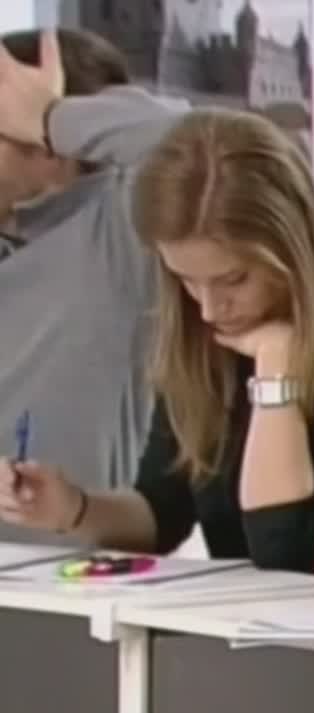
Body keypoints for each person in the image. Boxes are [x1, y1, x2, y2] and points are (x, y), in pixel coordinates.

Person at [0, 101, 314, 572]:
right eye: (187, 280)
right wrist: (73, 508)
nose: (208, 308)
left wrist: (276, 377)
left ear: (291, 250)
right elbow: (161, 514)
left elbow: (285, 553)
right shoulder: (202, 337)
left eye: (233, 280)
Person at [0, 28, 158, 548]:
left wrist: (53, 118)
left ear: (51, 148)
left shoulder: (118, 227)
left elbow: (212, 143)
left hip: (70, 573)